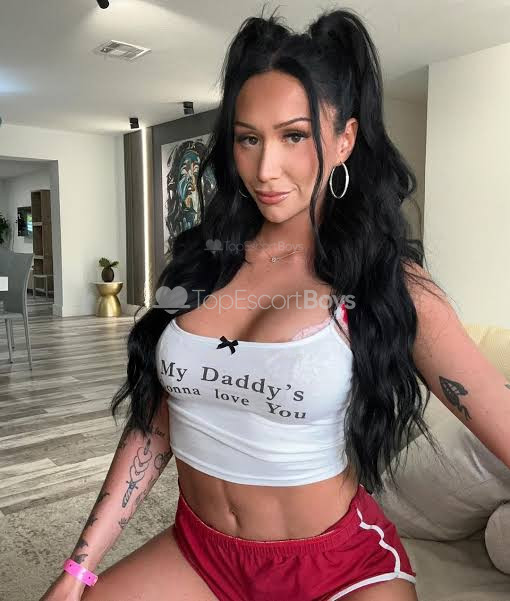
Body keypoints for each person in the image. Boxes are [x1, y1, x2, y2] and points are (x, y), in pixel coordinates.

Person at [40, 6, 510, 601]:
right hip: (202, 552)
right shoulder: (198, 265)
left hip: (338, 567)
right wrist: (79, 568)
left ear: (344, 139)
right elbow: (157, 424)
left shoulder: (388, 284)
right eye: (248, 139)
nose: (265, 169)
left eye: (294, 136)